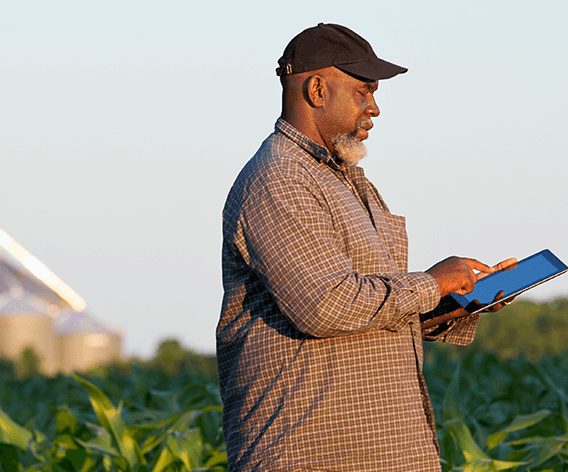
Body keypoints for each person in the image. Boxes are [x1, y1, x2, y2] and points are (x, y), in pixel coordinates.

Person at [217, 23, 516, 471]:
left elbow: (373, 308)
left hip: (386, 452)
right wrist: (432, 282)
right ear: (317, 89)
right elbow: (325, 305)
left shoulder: (350, 181)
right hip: (313, 455)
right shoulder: (279, 178)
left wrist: (455, 301)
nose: (374, 107)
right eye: (363, 91)